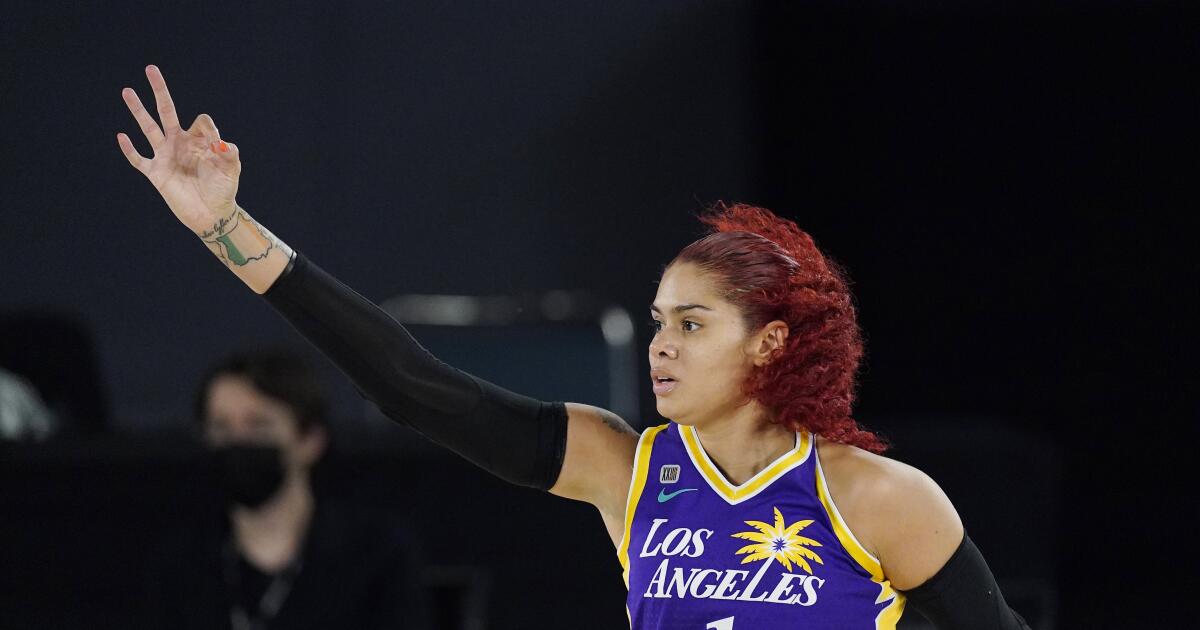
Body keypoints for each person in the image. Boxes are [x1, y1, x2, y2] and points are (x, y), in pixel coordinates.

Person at [118, 65, 1030, 629]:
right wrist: (225, 228)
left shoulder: (877, 496)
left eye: (692, 324)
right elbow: (412, 386)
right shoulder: (622, 468)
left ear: (772, 344)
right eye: (660, 321)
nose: (660, 346)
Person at [144, 349, 428, 630]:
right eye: (221, 427)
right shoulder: (182, 562)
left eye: (259, 426)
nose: (238, 442)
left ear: (310, 440)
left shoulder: (375, 554)